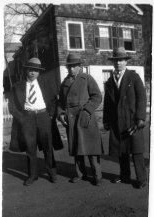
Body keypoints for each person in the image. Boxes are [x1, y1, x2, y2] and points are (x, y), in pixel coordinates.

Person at [9, 57, 63, 186]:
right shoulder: (18, 86)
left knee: (47, 147)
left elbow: (53, 101)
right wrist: (22, 118)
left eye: (35, 70)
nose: (33, 73)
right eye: (30, 70)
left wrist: (50, 115)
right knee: (30, 148)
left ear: (39, 72)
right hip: (27, 118)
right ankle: (33, 175)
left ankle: (52, 173)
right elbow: (12, 107)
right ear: (26, 71)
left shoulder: (45, 83)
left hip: (43, 117)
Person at [103, 47, 147, 189]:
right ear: (113, 63)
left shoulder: (133, 77)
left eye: (121, 60)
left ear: (125, 62)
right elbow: (108, 104)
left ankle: (141, 179)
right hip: (117, 121)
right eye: (116, 61)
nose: (118, 63)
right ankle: (125, 176)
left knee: (136, 151)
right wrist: (106, 120)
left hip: (132, 120)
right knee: (121, 150)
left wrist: (140, 118)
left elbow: (142, 98)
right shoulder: (110, 82)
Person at [57, 53, 103, 186]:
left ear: (79, 67)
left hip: (85, 117)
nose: (71, 69)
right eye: (69, 67)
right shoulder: (65, 82)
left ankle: (97, 176)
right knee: (77, 146)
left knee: (91, 148)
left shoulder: (87, 78)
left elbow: (97, 96)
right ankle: (80, 174)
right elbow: (60, 102)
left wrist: (88, 110)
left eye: (74, 66)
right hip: (71, 118)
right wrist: (60, 114)